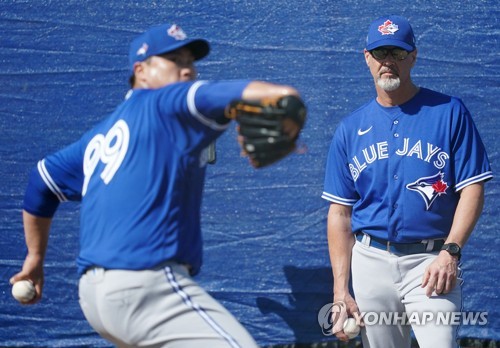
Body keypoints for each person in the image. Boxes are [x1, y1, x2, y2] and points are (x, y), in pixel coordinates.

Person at [10, 23, 305, 348]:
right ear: (141, 70)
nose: (187, 70)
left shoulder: (97, 137)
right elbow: (259, 94)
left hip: (95, 298)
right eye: (174, 60)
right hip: (145, 285)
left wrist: (35, 258)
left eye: (190, 62)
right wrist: (286, 98)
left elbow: (42, 181)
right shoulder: (168, 103)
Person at [322, 15, 492, 348]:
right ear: (367, 58)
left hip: (431, 262)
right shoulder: (349, 128)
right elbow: (339, 214)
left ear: (413, 56)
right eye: (380, 52)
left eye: (397, 53)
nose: (388, 61)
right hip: (371, 263)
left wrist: (451, 252)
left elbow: (473, 188)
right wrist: (341, 291)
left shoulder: (449, 112)